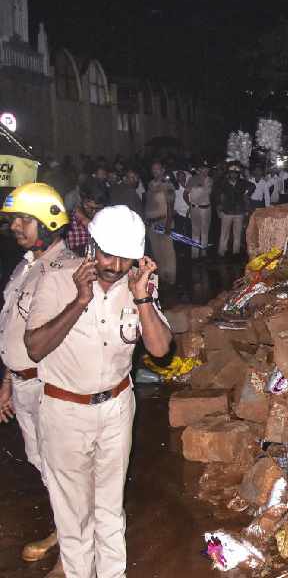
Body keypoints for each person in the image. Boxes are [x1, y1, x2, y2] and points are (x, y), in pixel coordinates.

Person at [24, 205, 172, 578]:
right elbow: (35, 348)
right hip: (64, 410)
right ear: (91, 247)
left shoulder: (139, 283)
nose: (115, 267)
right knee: (72, 515)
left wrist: (142, 299)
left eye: (125, 259)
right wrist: (79, 301)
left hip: (116, 409)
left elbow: (159, 348)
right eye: (108, 255)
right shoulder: (56, 279)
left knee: (109, 508)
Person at [0, 184, 71, 577]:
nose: (15, 227)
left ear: (49, 220)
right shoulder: (26, 264)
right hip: (24, 384)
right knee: (45, 465)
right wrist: (8, 381)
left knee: (64, 470)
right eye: (13, 220)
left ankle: (72, 557)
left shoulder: (64, 271)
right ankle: (64, 532)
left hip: (48, 387)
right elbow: (12, 327)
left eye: (24, 219)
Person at [144, 161, 176, 284]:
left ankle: (171, 278)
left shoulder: (168, 185)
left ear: (163, 170)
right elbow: (148, 203)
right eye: (153, 169)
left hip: (163, 221)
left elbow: (171, 205)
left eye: (158, 169)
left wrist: (168, 223)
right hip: (151, 223)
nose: (155, 171)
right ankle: (162, 277)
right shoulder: (150, 184)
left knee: (167, 251)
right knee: (157, 251)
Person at [65, 180, 108, 256]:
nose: (93, 212)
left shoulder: (107, 219)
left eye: (98, 209)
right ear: (81, 200)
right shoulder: (69, 222)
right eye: (89, 207)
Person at [218, 163, 252, 257]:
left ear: (238, 174)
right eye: (232, 173)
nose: (234, 175)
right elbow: (220, 196)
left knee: (237, 234)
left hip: (238, 212)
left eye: (236, 173)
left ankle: (235, 252)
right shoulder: (223, 183)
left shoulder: (242, 182)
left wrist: (246, 194)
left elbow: (252, 186)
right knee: (224, 233)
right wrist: (219, 209)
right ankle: (222, 252)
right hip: (227, 211)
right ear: (229, 173)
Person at [186, 163, 212, 258]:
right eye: (203, 170)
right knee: (195, 232)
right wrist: (190, 205)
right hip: (195, 208)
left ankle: (204, 253)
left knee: (205, 231)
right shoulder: (192, 179)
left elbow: (207, 192)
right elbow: (185, 193)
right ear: (198, 170)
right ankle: (195, 255)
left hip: (206, 209)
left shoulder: (209, 180)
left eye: (207, 170)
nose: (205, 172)